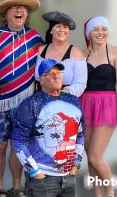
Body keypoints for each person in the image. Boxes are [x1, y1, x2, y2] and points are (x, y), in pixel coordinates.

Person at [0, 0, 43, 197]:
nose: (19, 10)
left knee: (18, 146)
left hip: (25, 103)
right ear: (5, 14)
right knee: (0, 146)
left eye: (22, 7)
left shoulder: (35, 37)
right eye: (13, 8)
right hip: (1, 102)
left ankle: (17, 186)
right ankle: (0, 187)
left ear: (27, 14)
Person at [12, 59, 85, 197]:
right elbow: (19, 141)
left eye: (58, 72)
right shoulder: (30, 104)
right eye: (50, 73)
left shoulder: (73, 101)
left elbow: (80, 133)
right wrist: (35, 172)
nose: (56, 76)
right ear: (41, 80)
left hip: (69, 177)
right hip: (42, 180)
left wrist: (76, 164)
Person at [80, 16, 117, 197]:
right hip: (85, 104)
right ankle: (97, 194)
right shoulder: (83, 55)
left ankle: (110, 191)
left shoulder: (115, 53)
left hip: (107, 104)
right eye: (96, 29)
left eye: (104, 29)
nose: (100, 33)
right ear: (89, 33)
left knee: (95, 155)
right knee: (89, 156)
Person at [35, 11, 87, 97]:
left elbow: (80, 83)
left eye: (65, 27)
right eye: (58, 26)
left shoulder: (76, 53)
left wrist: (63, 94)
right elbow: (36, 78)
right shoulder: (41, 50)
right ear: (51, 30)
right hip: (40, 100)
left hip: (66, 100)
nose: (62, 30)